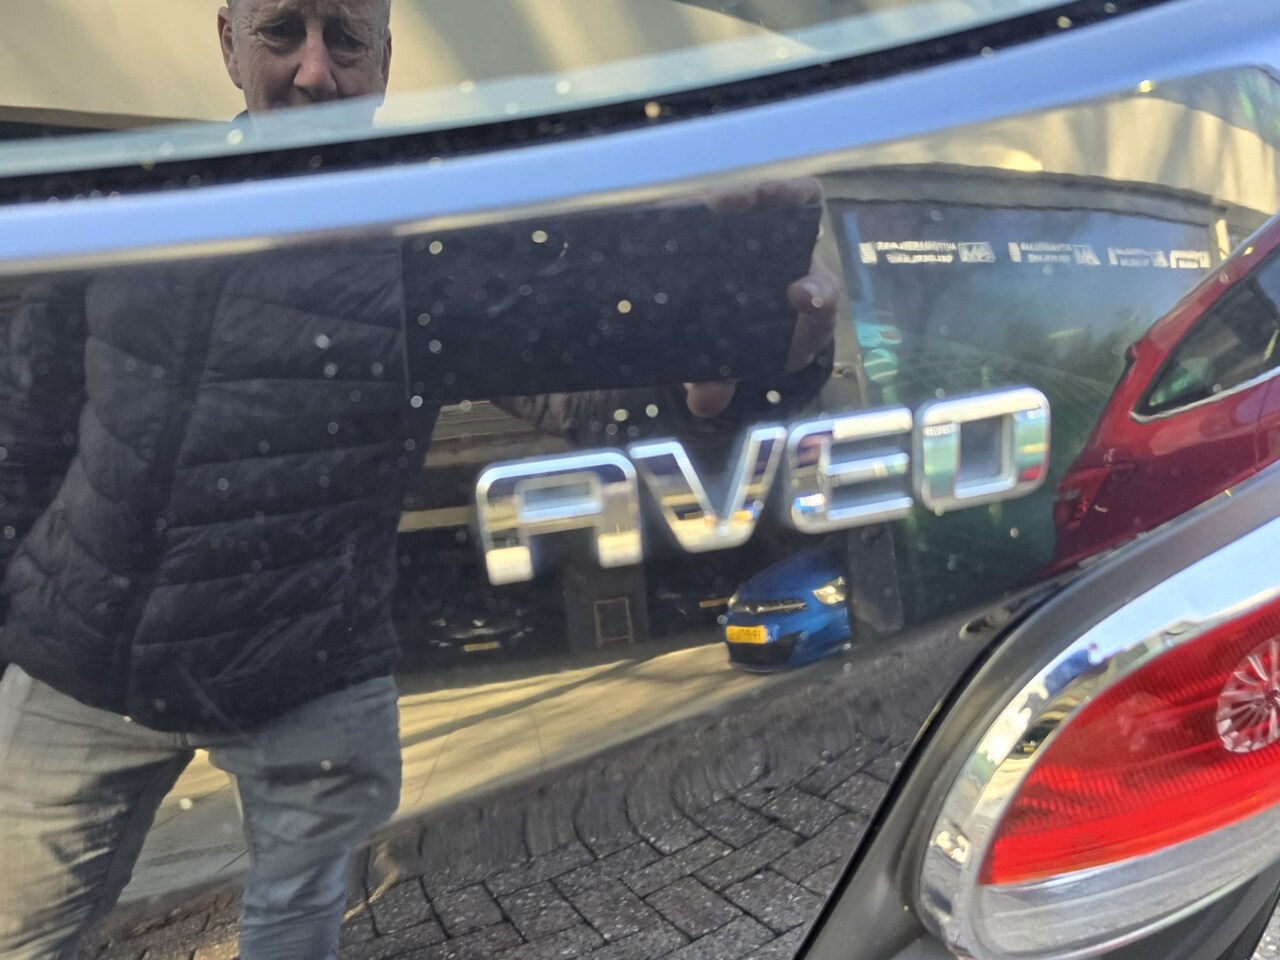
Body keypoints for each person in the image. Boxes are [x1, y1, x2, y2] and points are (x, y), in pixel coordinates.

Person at [0, 2, 839, 958]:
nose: (314, 70)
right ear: (227, 43)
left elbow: (597, 400)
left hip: (305, 676)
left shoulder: (429, 241)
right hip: (81, 660)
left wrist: (746, 378)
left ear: (385, 59)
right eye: (281, 32)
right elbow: (24, 426)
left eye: (345, 38)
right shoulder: (136, 206)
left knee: (291, 940)